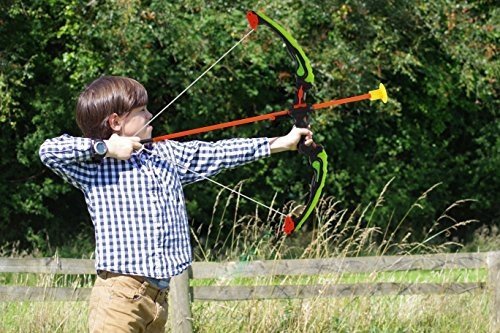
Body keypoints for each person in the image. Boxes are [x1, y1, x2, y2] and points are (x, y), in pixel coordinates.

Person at [39, 75, 313, 333]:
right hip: (119, 297)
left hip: (158, 300)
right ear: (115, 122)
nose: (150, 115)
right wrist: (106, 149)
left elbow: (218, 152)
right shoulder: (96, 167)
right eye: (142, 111)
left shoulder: (165, 154)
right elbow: (48, 151)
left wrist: (281, 143)